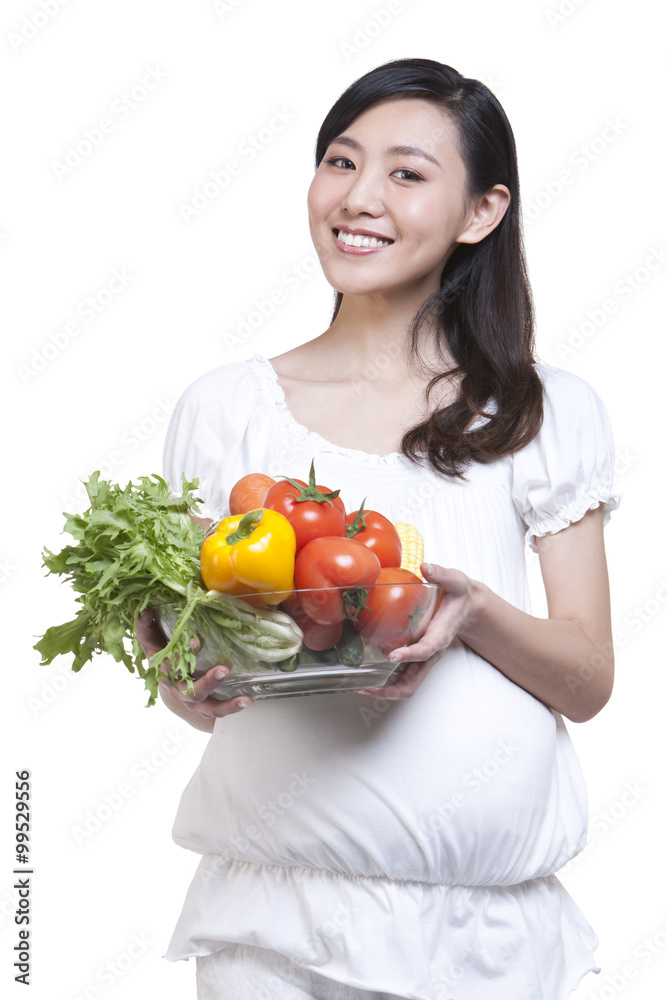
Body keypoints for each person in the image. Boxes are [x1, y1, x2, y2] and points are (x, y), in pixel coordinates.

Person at [138, 58, 620, 1000]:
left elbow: (588, 678)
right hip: (269, 918)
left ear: (480, 212)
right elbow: (203, 657)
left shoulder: (541, 410)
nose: (357, 198)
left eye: (405, 173)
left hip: (483, 935)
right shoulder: (226, 408)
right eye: (339, 161)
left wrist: (473, 609)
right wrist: (181, 681)